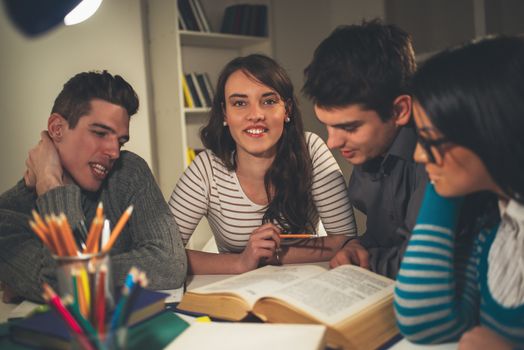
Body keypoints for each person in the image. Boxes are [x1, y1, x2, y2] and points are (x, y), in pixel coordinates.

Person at [0, 70, 187, 302]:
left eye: (120, 140)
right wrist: (50, 184)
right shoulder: (5, 217)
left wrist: (77, 272)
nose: (114, 152)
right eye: (100, 133)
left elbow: (170, 264)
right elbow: (72, 287)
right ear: (57, 128)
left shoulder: (128, 172)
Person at [169, 54, 357, 274]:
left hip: (306, 283)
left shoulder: (311, 150)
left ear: (286, 110)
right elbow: (164, 252)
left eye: (268, 101)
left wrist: (272, 255)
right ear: (225, 114)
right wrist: (241, 261)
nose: (255, 115)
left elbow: (346, 240)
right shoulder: (205, 168)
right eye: (240, 103)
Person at [394, 36, 524, 348]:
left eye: (429, 140)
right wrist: (446, 186)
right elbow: (425, 320)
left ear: (488, 132)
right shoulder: (496, 232)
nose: (418, 156)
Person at [302, 19, 427, 278]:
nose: (332, 143)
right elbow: (384, 236)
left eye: (349, 127)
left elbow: (423, 262)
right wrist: (357, 246)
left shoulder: (435, 159)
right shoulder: (369, 153)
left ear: (399, 110)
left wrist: (367, 259)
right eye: (327, 125)